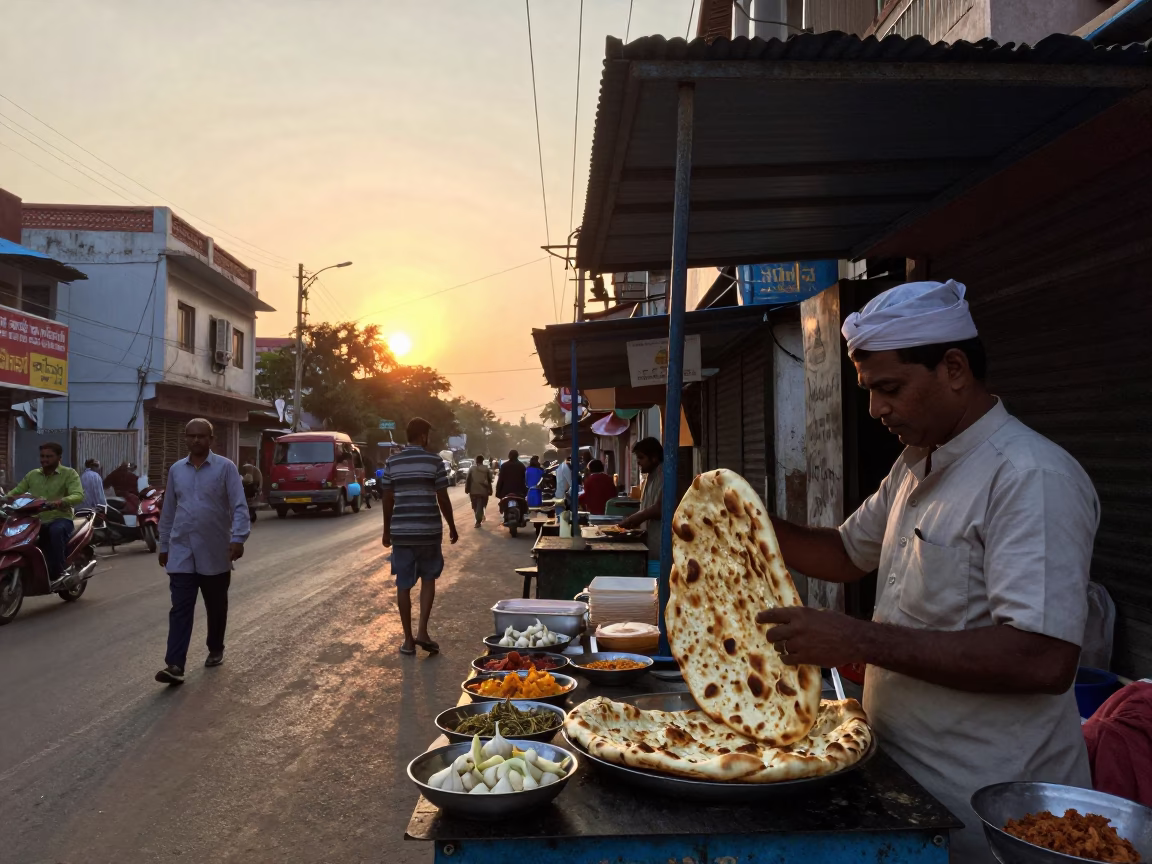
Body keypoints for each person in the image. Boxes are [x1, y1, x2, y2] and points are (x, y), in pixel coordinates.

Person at [753, 280, 1098, 862]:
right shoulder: (917, 465)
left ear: (955, 368)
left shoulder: (1029, 478)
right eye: (869, 390)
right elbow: (843, 553)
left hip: (992, 816)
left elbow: (1043, 658)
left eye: (889, 389)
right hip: (904, 788)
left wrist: (853, 638)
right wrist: (745, 524)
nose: (876, 409)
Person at [155, 419, 250, 685]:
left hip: (215, 550)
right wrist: (164, 545)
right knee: (181, 608)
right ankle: (175, 664)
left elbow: (239, 506)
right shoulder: (176, 470)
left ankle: (215, 647)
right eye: (191, 436)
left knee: (216, 605)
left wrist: (238, 538)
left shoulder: (226, 468)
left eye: (201, 436)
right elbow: (169, 510)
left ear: (211, 439)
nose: (196, 440)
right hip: (181, 548)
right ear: (186, 438)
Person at [381, 417, 458, 656]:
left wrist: (386, 531)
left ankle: (407, 641)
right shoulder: (434, 461)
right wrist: (452, 527)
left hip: (402, 533)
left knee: (403, 585)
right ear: (423, 436)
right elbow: (442, 497)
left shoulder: (392, 462)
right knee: (428, 579)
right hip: (428, 532)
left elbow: (387, 499)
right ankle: (423, 631)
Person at [7, 442, 84, 583]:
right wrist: (5, 499)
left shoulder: (69, 473)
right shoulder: (32, 475)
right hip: (34, 520)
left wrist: (60, 501)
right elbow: (16, 492)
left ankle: (61, 571)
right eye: (42, 456)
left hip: (60, 517)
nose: (44, 459)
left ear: (59, 457)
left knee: (56, 531)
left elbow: (78, 495)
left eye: (49, 456)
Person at [618, 438, 663, 560]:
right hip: (651, 540)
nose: (638, 462)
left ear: (654, 457)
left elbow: (661, 508)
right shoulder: (651, 475)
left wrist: (638, 517)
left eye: (641, 457)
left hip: (662, 543)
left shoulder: (665, 474)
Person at [464, 454, 493, 528]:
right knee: (482, 505)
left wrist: (467, 489)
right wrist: (490, 489)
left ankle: (478, 519)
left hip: (473, 491)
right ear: (482, 461)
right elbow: (490, 479)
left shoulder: (471, 469)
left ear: (476, 460)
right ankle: (478, 519)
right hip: (484, 491)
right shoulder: (486, 469)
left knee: (475, 506)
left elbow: (468, 480)